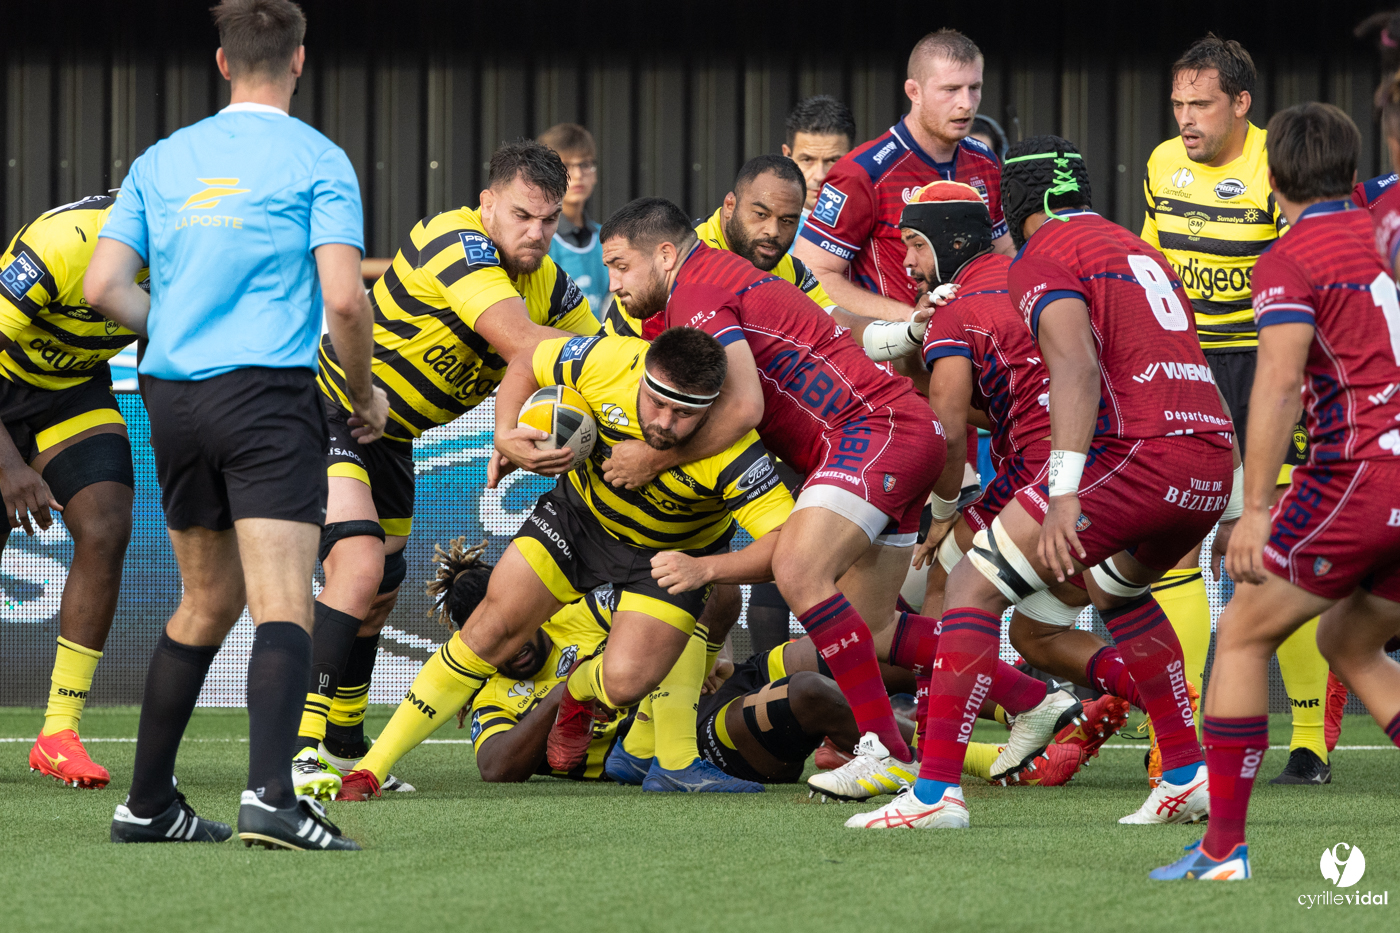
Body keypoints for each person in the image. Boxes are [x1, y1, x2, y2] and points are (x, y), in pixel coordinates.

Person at [598, 197, 1061, 804]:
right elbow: (829, 332)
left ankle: (884, 750)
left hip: (871, 431)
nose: (615, 285)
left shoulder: (696, 290)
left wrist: (653, 458)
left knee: (798, 569)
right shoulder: (721, 276)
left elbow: (744, 409)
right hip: (896, 431)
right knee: (872, 627)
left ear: (663, 254)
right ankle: (1033, 698)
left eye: (619, 266)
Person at [849, 135, 1236, 832]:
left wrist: (1064, 492)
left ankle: (935, 793)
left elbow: (1076, 370)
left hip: (1137, 454)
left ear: (1011, 202)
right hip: (1209, 456)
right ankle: (1185, 772)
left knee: (969, 586)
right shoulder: (1139, 248)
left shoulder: (1040, 257)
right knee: (1120, 593)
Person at [86, 0, 386, 850]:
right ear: (298, 60)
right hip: (265, 395)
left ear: (222, 64)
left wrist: (179, 326)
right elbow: (342, 298)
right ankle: (270, 799)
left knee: (207, 599)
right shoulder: (318, 159)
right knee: (285, 600)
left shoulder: (162, 158)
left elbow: (102, 285)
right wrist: (362, 394)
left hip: (169, 397)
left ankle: (146, 804)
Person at [334, 328, 792, 799]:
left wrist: (707, 570)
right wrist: (505, 432)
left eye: (686, 413)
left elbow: (785, 545)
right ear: (642, 374)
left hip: (671, 556)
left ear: (712, 408)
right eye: (658, 403)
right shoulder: (606, 360)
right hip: (578, 522)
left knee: (626, 682)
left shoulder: (735, 452)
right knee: (491, 630)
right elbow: (529, 358)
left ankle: (582, 688)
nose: (667, 424)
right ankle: (369, 769)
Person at [294, 139, 599, 799]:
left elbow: (592, 351)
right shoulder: (454, 241)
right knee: (359, 567)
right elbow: (529, 344)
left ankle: (346, 746)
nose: (537, 233)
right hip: (326, 406)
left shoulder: (547, 281)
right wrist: (613, 361)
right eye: (522, 215)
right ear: (487, 204)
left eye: (548, 221)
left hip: (392, 436)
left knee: (381, 587)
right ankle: (297, 748)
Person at [1152, 103, 1400, 882]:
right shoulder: (1383, 228)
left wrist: (1254, 508)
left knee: (1246, 633)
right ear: (1353, 170)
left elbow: (1281, 383)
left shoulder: (1292, 258)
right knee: (1347, 640)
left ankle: (1223, 847)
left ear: (1272, 182)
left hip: (1356, 474)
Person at [1141, 35, 1328, 786]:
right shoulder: (1160, 162)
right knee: (1176, 546)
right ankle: (1176, 742)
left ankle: (1309, 738)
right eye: (1178, 104)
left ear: (1242, 104)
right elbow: (1152, 262)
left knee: (1269, 551)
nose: (1186, 119)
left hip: (1268, 367)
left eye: (1202, 105)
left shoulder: (1274, 170)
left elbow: (1305, 280)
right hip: (1187, 369)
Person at [903, 182, 1149, 745]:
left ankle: (933, 739)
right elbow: (1007, 401)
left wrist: (943, 507)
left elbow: (948, 429)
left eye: (916, 243)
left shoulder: (955, 308)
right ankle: (1167, 717)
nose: (908, 260)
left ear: (950, 241)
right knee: (1037, 633)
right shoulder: (1031, 275)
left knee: (946, 570)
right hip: (1114, 462)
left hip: (1042, 471)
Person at [0, 195, 141, 790]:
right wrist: (9, 464)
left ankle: (59, 732)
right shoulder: (67, 241)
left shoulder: (195, 251)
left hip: (71, 389)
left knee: (106, 523)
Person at [794, 29, 1011, 325]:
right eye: (950, 89)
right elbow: (811, 272)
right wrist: (911, 319)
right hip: (895, 362)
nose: (966, 103)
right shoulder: (865, 171)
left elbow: (1003, 254)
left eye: (974, 87)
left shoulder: (985, 161)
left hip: (975, 350)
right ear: (914, 92)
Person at [540, 123, 609, 317]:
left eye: (585, 164)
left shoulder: (608, 239)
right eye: (566, 166)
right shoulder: (537, 238)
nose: (578, 175)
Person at [781, 95, 856, 248]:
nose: (820, 176)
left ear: (853, 158)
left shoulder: (871, 225)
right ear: (787, 155)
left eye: (833, 161)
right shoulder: (764, 231)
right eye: (807, 160)